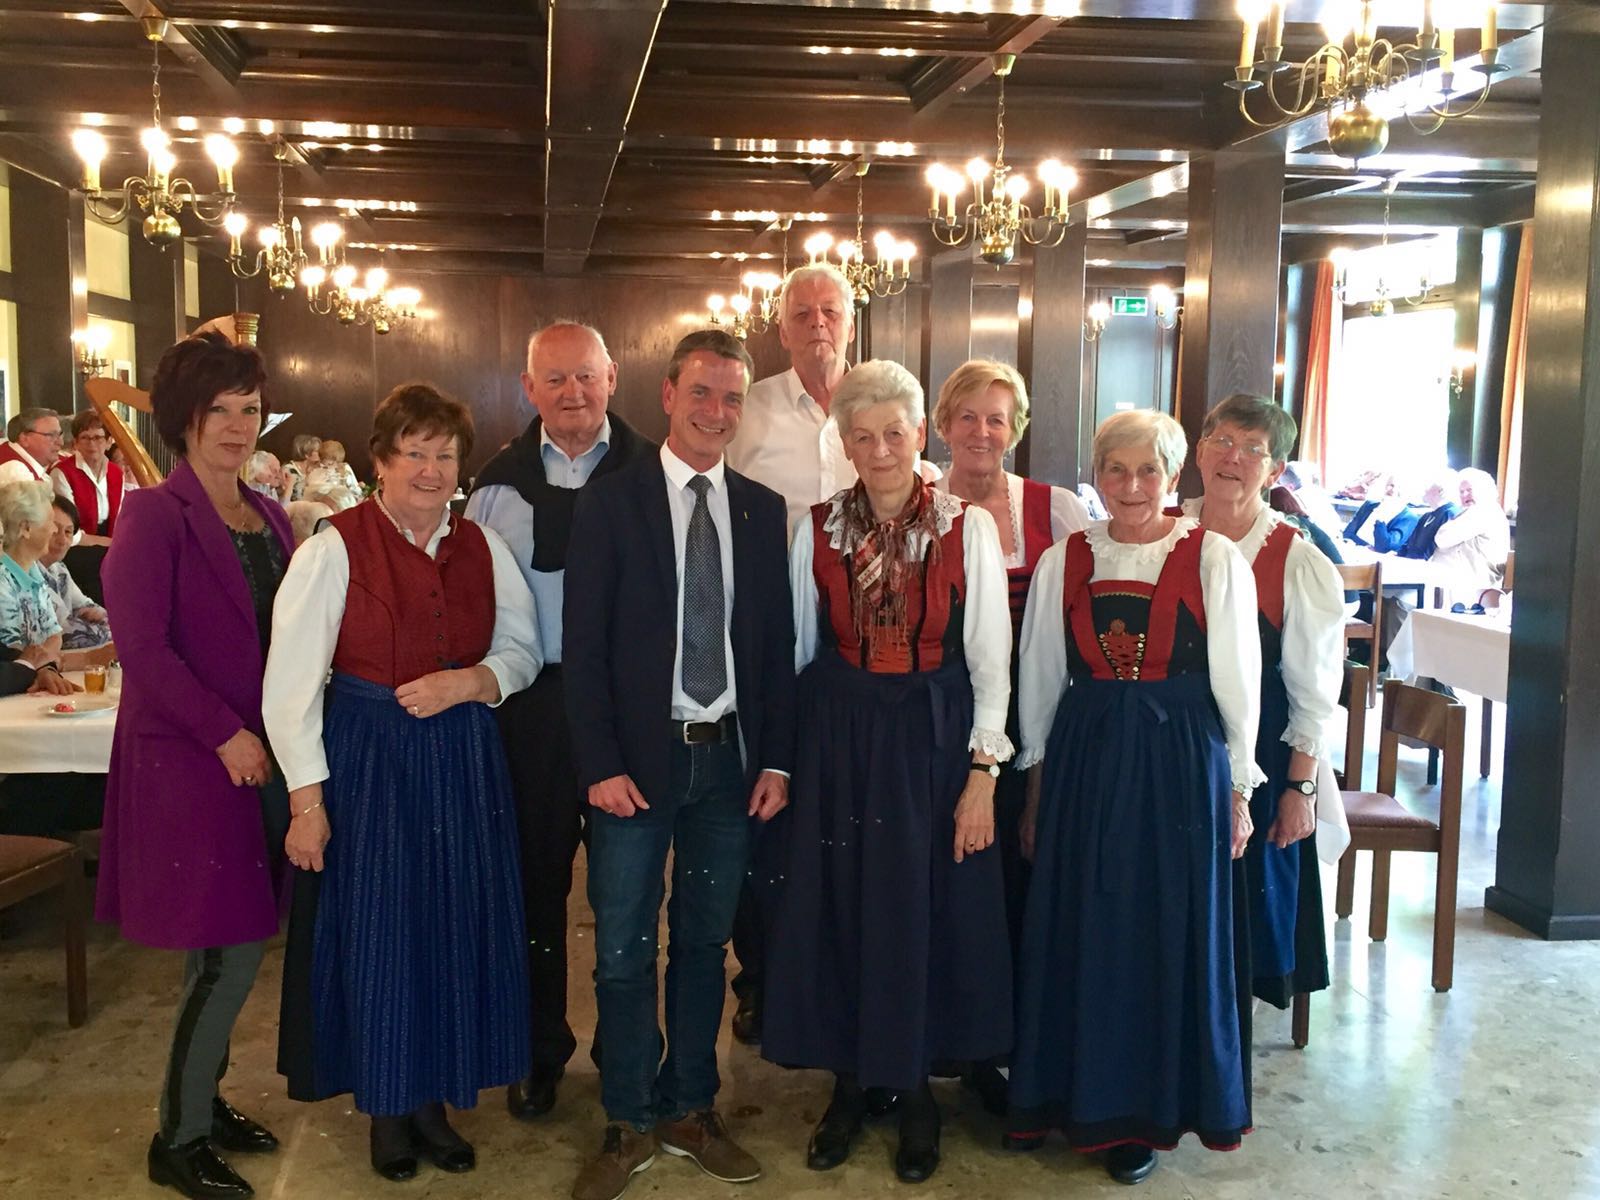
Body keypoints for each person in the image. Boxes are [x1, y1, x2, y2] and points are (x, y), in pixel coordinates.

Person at [265, 383, 541, 1182]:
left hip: (461, 758)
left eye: (443, 455)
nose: (428, 469)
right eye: (412, 453)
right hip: (369, 761)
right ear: (379, 461)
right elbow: (289, 687)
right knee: (383, 933)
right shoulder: (333, 547)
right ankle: (387, 1110)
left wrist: (473, 682)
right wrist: (307, 804)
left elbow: (523, 650)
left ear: (460, 467)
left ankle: (434, 1103)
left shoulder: (483, 547)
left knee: (452, 927)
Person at [762, 359, 1013, 1185]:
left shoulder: (966, 526)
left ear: (918, 435)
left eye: (894, 434)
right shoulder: (817, 526)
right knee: (841, 905)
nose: (879, 450)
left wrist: (983, 772)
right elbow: (799, 652)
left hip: (933, 739)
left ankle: (914, 1095)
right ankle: (848, 1084)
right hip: (839, 738)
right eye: (861, 435)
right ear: (842, 440)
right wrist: (788, 761)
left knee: (919, 910)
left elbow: (989, 660)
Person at [562, 329, 794, 1200]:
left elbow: (774, 648)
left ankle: (691, 1107)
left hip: (727, 764)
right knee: (623, 950)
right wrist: (598, 763)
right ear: (666, 395)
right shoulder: (611, 505)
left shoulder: (759, 511)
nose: (717, 413)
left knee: (705, 943)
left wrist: (778, 760)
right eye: (702, 393)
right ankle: (627, 1117)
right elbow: (580, 650)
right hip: (636, 766)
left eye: (732, 398)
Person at [1010, 409, 1262, 1186]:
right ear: (1098, 474)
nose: (1130, 486)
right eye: (1115, 470)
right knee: (1086, 927)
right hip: (1086, 761)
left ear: (1173, 476)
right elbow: (1042, 682)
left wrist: (1240, 787)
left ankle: (1147, 1110)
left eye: (1147, 470)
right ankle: (1073, 1094)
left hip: (1178, 763)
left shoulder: (1215, 559)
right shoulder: (1066, 559)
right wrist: (1035, 792)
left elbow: (1240, 687)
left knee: (1162, 930)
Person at [94, 331, 295, 1200]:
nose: (237, 425)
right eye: (220, 410)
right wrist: (224, 733)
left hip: (260, 759)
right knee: (228, 954)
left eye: (249, 409)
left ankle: (201, 1105)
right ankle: (175, 1138)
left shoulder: (271, 516)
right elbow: (144, 650)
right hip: (191, 765)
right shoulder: (152, 515)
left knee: (225, 948)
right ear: (185, 418)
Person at [466, 320, 656, 1119]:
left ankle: (626, 1049)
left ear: (613, 377)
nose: (574, 393)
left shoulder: (656, 471)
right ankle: (539, 1050)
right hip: (534, 708)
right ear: (528, 388)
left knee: (632, 893)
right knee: (535, 889)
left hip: (630, 707)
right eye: (556, 379)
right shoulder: (493, 486)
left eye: (587, 376)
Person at [928, 358, 1088, 1111]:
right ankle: (945, 1038)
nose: (981, 432)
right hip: (934, 730)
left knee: (1017, 887)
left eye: (998, 419)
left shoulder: (1055, 512)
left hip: (1029, 727)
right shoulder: (919, 500)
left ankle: (1008, 1049)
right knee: (949, 888)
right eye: (967, 416)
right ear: (942, 424)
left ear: (1017, 429)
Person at [1187, 395, 1345, 1017]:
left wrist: (1300, 791)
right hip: (1172, 745)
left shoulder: (1296, 559)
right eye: (1222, 441)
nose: (1233, 458)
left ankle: (1225, 1044)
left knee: (1242, 905)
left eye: (1253, 449)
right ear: (1198, 452)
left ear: (1276, 471)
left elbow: (1313, 691)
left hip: (1261, 753)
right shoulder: (1159, 529)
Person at [0, 480, 66, 662]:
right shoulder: (2, 580)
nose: (54, 530)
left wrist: (44, 661)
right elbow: (13, 652)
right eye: (51, 522)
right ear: (26, 528)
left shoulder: (34, 570)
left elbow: (54, 634)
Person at [41, 497, 113, 651]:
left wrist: (107, 621)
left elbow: (85, 605)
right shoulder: (30, 572)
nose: (62, 540)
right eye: (55, 530)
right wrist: (112, 629)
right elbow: (61, 631)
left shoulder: (59, 569)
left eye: (68, 532)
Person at [1431, 467, 1510, 603]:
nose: (1464, 495)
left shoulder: (1485, 511)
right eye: (1461, 492)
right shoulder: (1471, 512)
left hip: (1472, 588)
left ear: (1484, 490)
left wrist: (1449, 525)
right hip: (1456, 585)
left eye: (1469, 490)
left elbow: (1442, 538)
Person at [51, 409, 126, 540]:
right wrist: (108, 543)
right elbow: (69, 528)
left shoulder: (116, 472)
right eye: (85, 437)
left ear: (109, 442)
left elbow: (119, 518)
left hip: (109, 540)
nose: (91, 444)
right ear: (76, 444)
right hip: (76, 543)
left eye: (98, 438)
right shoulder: (62, 473)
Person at [1396, 471, 1463, 560]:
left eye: (1429, 485)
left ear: (1441, 491)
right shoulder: (1426, 516)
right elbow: (1409, 544)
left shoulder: (1451, 513)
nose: (1425, 489)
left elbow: (1438, 549)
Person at [0, 408, 64, 484]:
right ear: (24, 439)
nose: (60, 442)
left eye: (60, 434)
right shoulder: (16, 470)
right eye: (51, 435)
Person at [284, 433, 322, 500]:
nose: (321, 453)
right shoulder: (289, 469)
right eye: (317, 451)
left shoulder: (317, 468)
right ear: (306, 454)